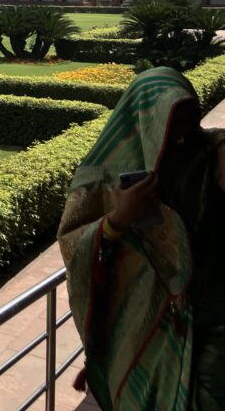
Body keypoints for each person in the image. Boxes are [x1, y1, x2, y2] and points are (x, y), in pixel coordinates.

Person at [58, 67, 225, 410]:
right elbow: (74, 244)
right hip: (147, 331)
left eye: (188, 120)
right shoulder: (103, 176)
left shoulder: (207, 157)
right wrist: (118, 219)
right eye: (171, 123)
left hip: (212, 326)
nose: (180, 136)